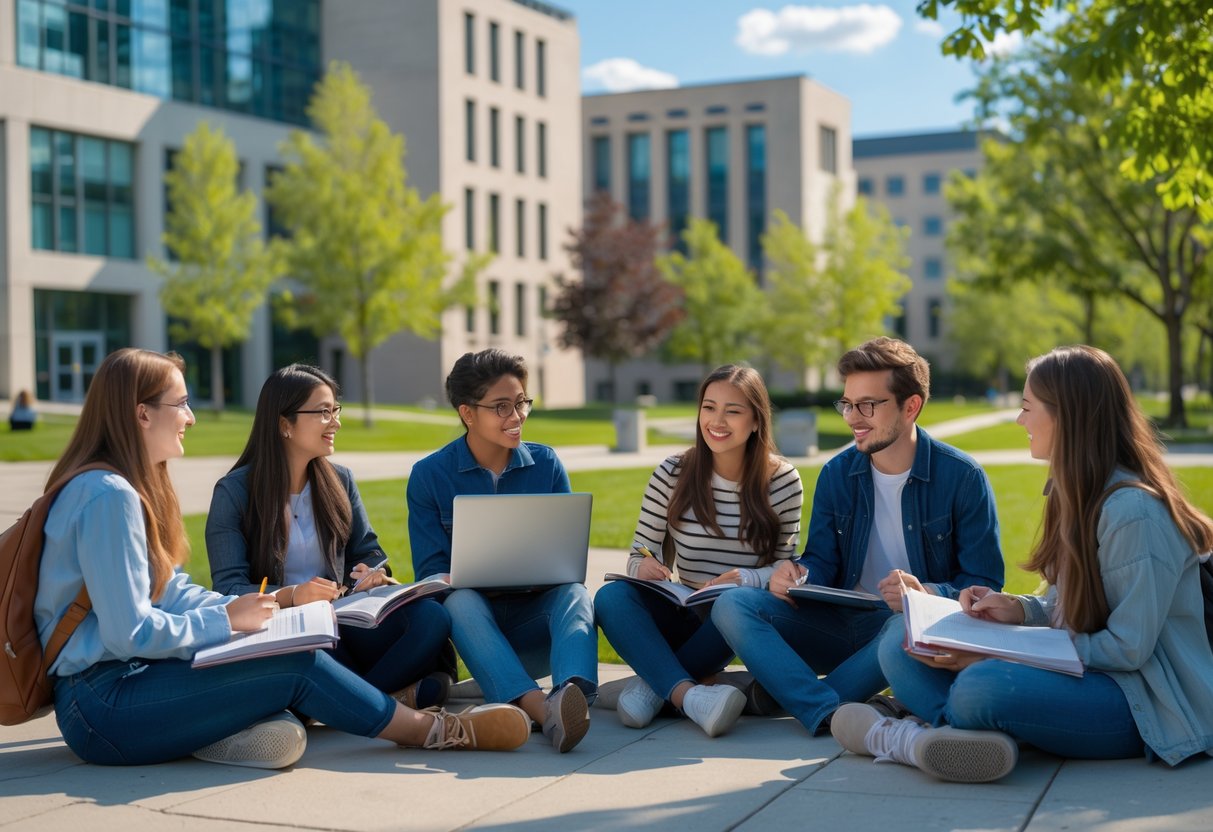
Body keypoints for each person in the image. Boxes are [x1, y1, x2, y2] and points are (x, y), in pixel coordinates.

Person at [35, 348, 530, 768]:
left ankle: (239, 727)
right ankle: (432, 731)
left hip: (128, 681)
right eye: (181, 403)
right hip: (102, 701)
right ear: (142, 413)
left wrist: (245, 616)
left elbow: (168, 588)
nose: (191, 416)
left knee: (318, 647)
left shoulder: (125, 489)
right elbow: (130, 633)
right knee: (297, 663)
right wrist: (227, 618)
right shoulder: (109, 495)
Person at [833, 345, 1213, 782]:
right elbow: (1068, 608)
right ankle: (969, 736)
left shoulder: (1133, 513)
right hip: (1093, 678)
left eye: (1028, 408)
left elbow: (1128, 648)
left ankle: (904, 740)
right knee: (897, 642)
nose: (1020, 420)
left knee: (984, 685)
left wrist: (1003, 656)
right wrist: (1015, 609)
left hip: (1145, 702)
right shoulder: (1076, 492)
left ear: (1068, 415)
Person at [712, 337, 1004, 735]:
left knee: (901, 626)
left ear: (911, 405)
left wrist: (928, 595)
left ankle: (790, 698)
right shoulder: (837, 473)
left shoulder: (963, 478)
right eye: (847, 404)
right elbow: (822, 562)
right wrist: (796, 574)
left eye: (868, 404)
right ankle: (833, 710)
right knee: (734, 604)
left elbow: (985, 585)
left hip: (903, 633)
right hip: (836, 625)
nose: (853, 417)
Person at [207, 364, 451, 709]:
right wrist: (293, 595)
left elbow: (367, 551)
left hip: (341, 619)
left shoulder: (340, 480)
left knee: (431, 618)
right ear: (283, 424)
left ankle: (355, 702)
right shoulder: (234, 493)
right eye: (323, 412)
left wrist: (372, 575)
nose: (335, 422)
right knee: (317, 655)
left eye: (335, 410)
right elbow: (228, 589)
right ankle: (385, 700)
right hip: (282, 630)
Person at [595, 365, 803, 737]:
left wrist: (746, 578)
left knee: (729, 608)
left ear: (756, 420)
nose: (717, 421)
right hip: (681, 606)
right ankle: (692, 695)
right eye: (709, 407)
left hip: (733, 618)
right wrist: (642, 566)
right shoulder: (672, 472)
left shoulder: (783, 480)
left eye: (733, 411)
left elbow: (787, 569)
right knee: (611, 597)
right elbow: (641, 548)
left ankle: (655, 687)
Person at [408, 349, 596, 753]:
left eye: (522, 402)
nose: (517, 416)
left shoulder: (546, 463)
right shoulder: (429, 475)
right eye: (501, 407)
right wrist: (462, 577)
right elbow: (430, 575)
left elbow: (565, 561)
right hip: (476, 632)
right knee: (458, 601)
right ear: (467, 413)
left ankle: (572, 695)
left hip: (535, 628)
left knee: (575, 594)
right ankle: (545, 712)